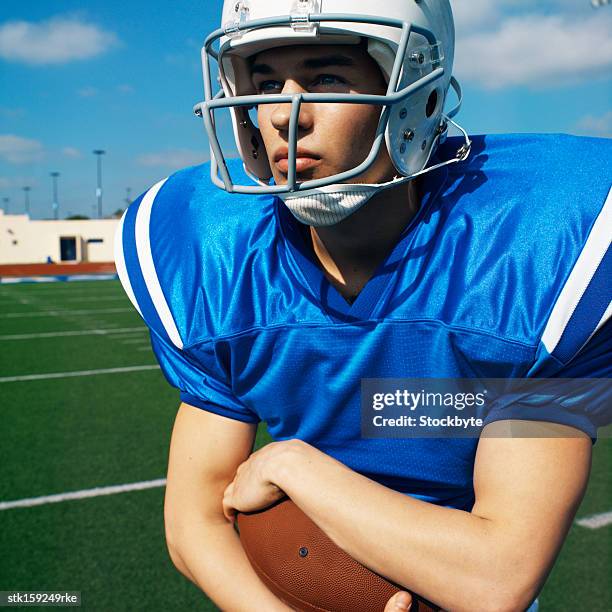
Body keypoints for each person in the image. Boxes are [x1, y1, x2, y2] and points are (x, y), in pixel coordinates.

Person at [115, 1, 611, 610]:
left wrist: (296, 465)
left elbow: (496, 577)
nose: (282, 114)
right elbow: (195, 524)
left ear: (413, 92)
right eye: (266, 83)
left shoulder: (533, 244)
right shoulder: (213, 254)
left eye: (325, 78)